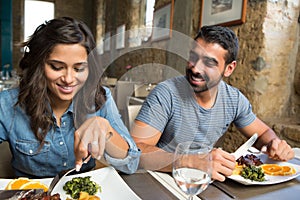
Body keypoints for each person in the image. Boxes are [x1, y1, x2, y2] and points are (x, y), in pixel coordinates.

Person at [130, 25, 294, 182]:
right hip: (161, 180)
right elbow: (135, 151)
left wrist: (274, 143)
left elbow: (263, 133)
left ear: (229, 69)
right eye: (193, 57)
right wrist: (192, 161)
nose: (195, 68)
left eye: (209, 63)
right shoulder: (166, 93)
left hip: (203, 180)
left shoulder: (234, 99)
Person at [0, 17, 140, 178]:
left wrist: (106, 130)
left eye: (79, 68)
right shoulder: (7, 104)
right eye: (57, 67)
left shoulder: (100, 98)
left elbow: (131, 164)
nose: (68, 79)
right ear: (38, 65)